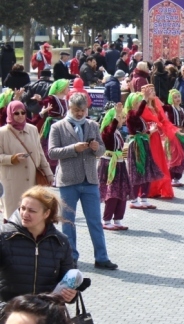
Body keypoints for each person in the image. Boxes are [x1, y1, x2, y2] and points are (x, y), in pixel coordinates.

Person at [47, 93, 117, 270]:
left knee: (95, 221)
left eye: (82, 110)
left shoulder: (93, 125)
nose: (79, 114)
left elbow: (102, 149)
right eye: (76, 110)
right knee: (68, 222)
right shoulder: (58, 127)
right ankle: (71, 258)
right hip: (68, 181)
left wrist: (96, 148)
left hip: (90, 181)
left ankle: (101, 257)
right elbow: (52, 152)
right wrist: (73, 149)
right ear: (70, 108)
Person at [0, 187, 76, 303]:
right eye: (23, 208)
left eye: (32, 211)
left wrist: (71, 295)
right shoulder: (4, 236)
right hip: (11, 315)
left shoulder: (61, 242)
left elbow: (67, 281)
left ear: (46, 213)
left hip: (46, 314)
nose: (25, 214)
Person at [0, 101, 53, 218]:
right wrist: (12, 159)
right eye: (16, 113)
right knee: (13, 216)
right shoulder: (2, 132)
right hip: (12, 182)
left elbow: (40, 154)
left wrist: (49, 174)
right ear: (10, 114)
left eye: (23, 112)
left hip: (32, 181)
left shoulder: (33, 129)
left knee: (31, 215)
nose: (20, 116)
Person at [141, 84, 184, 199]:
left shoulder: (156, 106)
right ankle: (147, 190)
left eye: (153, 90)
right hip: (145, 137)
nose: (153, 92)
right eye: (150, 91)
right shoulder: (142, 106)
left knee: (158, 162)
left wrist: (175, 131)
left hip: (155, 138)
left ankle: (156, 188)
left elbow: (164, 121)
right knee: (148, 163)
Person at [124, 93, 163, 210]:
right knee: (137, 172)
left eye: (139, 102)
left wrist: (149, 130)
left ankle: (144, 198)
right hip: (136, 145)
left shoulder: (138, 116)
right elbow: (137, 116)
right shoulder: (131, 114)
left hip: (144, 144)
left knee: (147, 171)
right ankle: (134, 199)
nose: (139, 104)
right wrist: (145, 99)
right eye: (136, 102)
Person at [97, 103, 132, 231]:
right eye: (120, 118)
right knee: (112, 193)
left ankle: (118, 219)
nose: (123, 120)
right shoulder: (107, 130)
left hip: (120, 163)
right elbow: (110, 130)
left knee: (121, 192)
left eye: (123, 117)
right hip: (109, 163)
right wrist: (116, 113)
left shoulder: (118, 131)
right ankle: (106, 220)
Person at [163, 90, 184, 187]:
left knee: (181, 155)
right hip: (172, 134)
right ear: (171, 99)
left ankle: (177, 178)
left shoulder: (182, 109)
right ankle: (170, 177)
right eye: (175, 97)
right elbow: (160, 106)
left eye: (178, 96)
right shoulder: (170, 108)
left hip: (181, 134)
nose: (178, 99)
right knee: (173, 155)